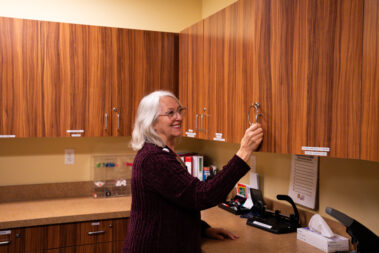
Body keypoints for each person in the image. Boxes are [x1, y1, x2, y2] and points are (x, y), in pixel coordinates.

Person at [122, 90, 263, 253]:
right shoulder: (154, 159)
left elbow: (177, 203)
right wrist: (244, 153)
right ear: (151, 122)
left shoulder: (162, 153)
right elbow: (201, 196)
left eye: (180, 111)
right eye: (170, 113)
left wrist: (202, 229)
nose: (179, 118)